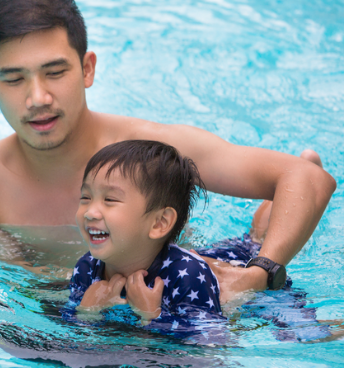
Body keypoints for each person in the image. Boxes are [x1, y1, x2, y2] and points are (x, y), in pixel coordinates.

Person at [0, 0, 336, 303]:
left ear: (87, 69)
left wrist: (260, 272)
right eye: (14, 79)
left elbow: (307, 178)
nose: (38, 98)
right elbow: (17, 298)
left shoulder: (149, 150)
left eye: (55, 72)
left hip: (188, 276)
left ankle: (264, 230)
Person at [68, 140, 335, 344]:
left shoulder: (187, 277)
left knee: (305, 336)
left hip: (239, 274)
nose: (90, 212)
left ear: (159, 223)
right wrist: (86, 310)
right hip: (210, 255)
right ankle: (298, 179)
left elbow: (213, 344)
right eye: (85, 198)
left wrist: (152, 316)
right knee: (252, 238)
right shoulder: (87, 267)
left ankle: (301, 180)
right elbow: (70, 332)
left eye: (110, 200)